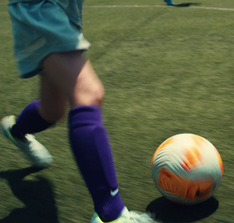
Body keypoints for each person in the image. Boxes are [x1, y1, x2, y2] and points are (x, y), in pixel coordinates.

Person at [1, 1, 154, 222]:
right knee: (88, 94)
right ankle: (111, 214)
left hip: (64, 9)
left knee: (52, 111)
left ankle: (16, 131)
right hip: (40, 7)